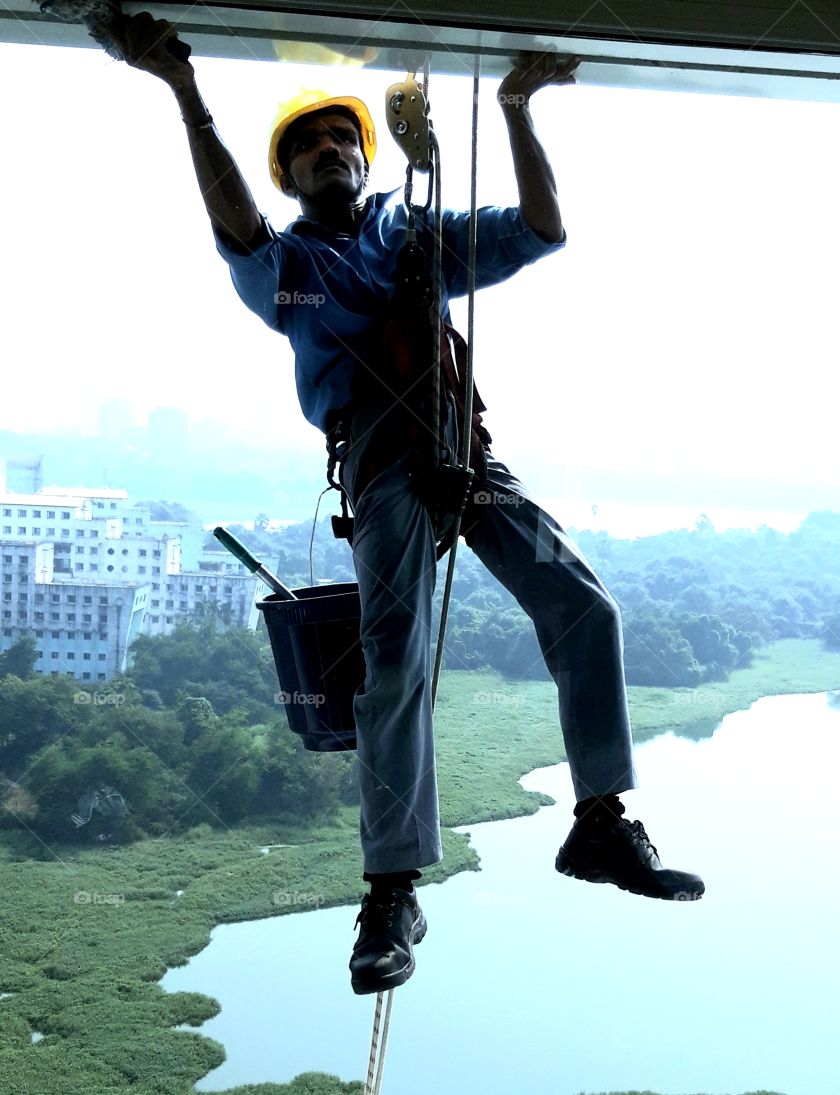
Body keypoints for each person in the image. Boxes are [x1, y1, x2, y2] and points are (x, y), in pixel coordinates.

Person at [113, 14, 705, 996]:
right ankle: (391, 891)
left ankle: (600, 820)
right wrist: (182, 87)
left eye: (341, 137)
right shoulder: (288, 273)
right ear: (290, 178)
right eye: (307, 148)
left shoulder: (414, 234)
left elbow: (542, 229)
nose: (330, 151)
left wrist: (514, 111)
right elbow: (233, 222)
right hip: (389, 467)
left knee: (586, 608)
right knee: (394, 671)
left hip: (463, 453)